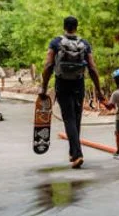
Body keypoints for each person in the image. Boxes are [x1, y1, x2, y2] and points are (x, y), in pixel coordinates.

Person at [40, 16, 105, 169]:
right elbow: (93, 68)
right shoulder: (84, 43)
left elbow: (49, 64)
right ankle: (72, 151)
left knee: (68, 118)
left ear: (64, 26)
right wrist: (99, 90)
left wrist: (43, 86)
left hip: (62, 83)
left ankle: (77, 154)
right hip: (78, 82)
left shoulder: (56, 42)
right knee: (76, 118)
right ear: (77, 26)